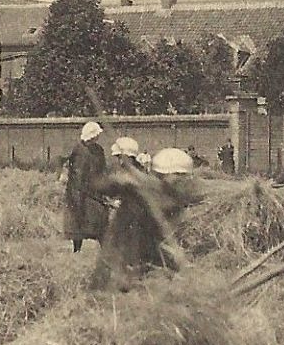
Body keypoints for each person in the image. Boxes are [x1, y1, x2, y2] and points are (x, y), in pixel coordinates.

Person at [89, 146, 198, 291]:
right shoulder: (140, 201)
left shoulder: (166, 196)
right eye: (180, 176)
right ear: (166, 175)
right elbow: (99, 185)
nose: (184, 182)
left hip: (140, 264)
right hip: (124, 264)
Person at [63, 121, 109, 253]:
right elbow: (76, 171)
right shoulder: (78, 149)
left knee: (100, 217)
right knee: (77, 219)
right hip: (78, 190)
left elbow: (102, 168)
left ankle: (105, 250)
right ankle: (76, 249)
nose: (97, 138)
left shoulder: (99, 150)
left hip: (95, 188)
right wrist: (79, 188)